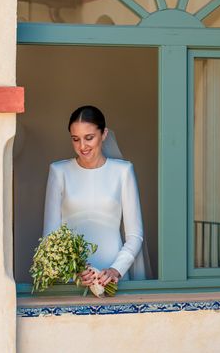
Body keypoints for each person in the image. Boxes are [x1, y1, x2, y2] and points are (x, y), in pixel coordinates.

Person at [42, 105, 145, 289]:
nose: (82, 146)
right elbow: (50, 236)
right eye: (76, 139)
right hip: (74, 280)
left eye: (89, 138)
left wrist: (116, 270)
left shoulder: (123, 171)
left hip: (114, 279)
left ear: (103, 134)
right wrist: (74, 271)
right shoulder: (59, 171)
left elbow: (135, 235)